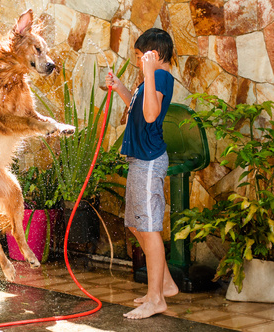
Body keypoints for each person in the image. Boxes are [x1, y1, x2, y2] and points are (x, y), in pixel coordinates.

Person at [105, 28, 179, 319]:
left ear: (154, 55)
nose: (138, 61)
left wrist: (148, 73)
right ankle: (166, 284)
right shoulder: (151, 79)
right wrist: (122, 87)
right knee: (137, 226)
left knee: (148, 229)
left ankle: (156, 298)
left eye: (140, 56)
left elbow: (151, 115)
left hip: (149, 161)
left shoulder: (159, 76)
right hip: (140, 160)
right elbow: (139, 110)